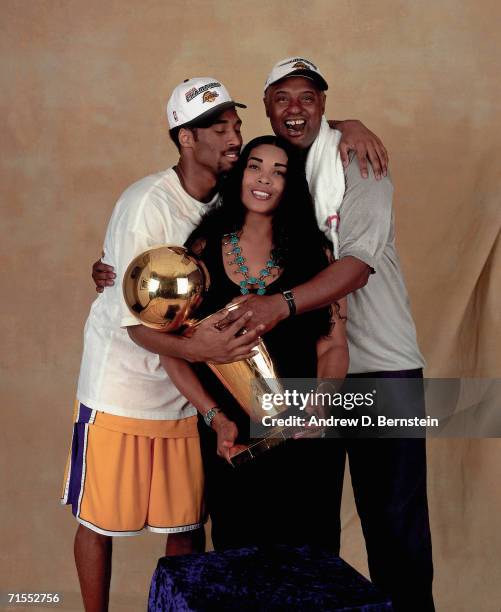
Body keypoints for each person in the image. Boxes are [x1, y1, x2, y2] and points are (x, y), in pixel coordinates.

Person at [69, 74, 385, 612]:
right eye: (221, 129)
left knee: (216, 537)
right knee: (152, 537)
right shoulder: (175, 226)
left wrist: (324, 402)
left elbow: (334, 344)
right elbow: (150, 324)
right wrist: (214, 403)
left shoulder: (301, 244)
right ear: (187, 139)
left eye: (237, 124)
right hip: (179, 411)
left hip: (267, 430)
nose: (236, 140)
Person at [162, 135, 349, 548]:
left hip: (305, 436)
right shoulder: (201, 248)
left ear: (291, 186)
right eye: (255, 166)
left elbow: (333, 346)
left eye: (279, 172)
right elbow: (171, 350)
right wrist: (215, 418)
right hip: (234, 439)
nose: (264, 179)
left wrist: (323, 402)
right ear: (239, 174)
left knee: (310, 564)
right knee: (239, 561)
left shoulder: (315, 255)